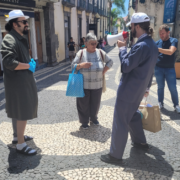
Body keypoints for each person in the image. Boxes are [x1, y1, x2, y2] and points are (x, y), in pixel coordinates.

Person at [100, 12, 159, 164]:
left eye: (132, 26)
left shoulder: (140, 46)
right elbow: (150, 69)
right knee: (132, 115)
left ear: (137, 26)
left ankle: (115, 155)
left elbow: (126, 67)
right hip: (138, 90)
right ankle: (140, 142)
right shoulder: (152, 44)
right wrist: (146, 87)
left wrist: (121, 49)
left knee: (120, 120)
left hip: (128, 90)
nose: (131, 29)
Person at [0, 10, 38, 155]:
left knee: (18, 110)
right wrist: (29, 66)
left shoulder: (19, 37)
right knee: (22, 111)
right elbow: (9, 62)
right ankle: (21, 144)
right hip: (18, 84)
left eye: (26, 21)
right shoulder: (10, 39)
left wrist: (29, 63)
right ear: (15, 24)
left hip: (22, 81)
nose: (27, 24)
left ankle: (17, 136)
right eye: (24, 22)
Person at [72, 33, 113, 129]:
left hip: (97, 85)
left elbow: (110, 61)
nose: (94, 45)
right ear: (86, 43)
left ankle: (93, 118)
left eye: (95, 43)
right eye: (92, 43)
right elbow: (73, 66)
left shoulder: (100, 52)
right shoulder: (81, 53)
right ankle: (84, 121)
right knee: (83, 104)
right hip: (83, 85)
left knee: (95, 104)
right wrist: (82, 65)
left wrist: (104, 71)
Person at [155, 24, 180, 113]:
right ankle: (160, 103)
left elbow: (170, 52)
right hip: (158, 69)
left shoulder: (174, 40)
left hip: (170, 69)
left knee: (172, 88)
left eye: (163, 33)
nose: (161, 35)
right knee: (160, 87)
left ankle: (176, 105)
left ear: (168, 32)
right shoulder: (157, 43)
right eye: (160, 34)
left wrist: (157, 49)